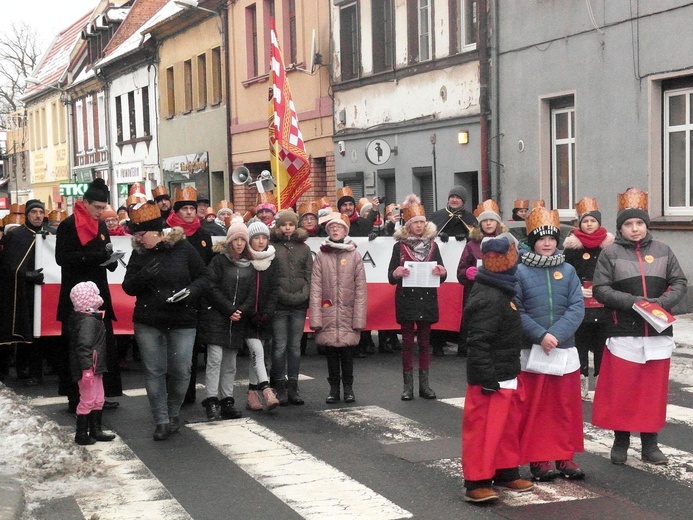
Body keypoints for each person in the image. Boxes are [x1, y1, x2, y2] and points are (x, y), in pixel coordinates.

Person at [592, 188, 687, 465]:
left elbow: (679, 282)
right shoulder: (610, 253)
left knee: (651, 392)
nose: (635, 229)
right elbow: (601, 289)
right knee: (622, 390)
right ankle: (620, 440)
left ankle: (650, 444)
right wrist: (633, 302)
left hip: (657, 332)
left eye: (639, 223)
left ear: (646, 225)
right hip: (624, 332)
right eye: (628, 224)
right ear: (621, 227)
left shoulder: (663, 251)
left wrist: (660, 302)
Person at [122, 202, 208, 441]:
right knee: (154, 371)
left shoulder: (183, 248)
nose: (138, 239)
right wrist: (144, 275)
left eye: (142, 234)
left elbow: (204, 276)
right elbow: (128, 287)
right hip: (149, 320)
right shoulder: (139, 253)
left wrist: (190, 292)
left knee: (182, 371)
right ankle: (161, 420)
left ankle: (173, 412)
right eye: (136, 235)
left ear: (157, 232)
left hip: (182, 318)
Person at [515, 206, 585, 481]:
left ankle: (564, 457)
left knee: (564, 407)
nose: (547, 243)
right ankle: (538, 458)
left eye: (552, 239)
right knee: (536, 407)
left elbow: (577, 307)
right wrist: (540, 335)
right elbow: (517, 309)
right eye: (542, 239)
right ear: (533, 241)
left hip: (564, 347)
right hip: (534, 349)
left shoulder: (568, 271)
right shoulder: (519, 272)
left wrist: (556, 334)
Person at [462, 234, 534, 503]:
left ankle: (505, 472)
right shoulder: (491, 296)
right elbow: (477, 342)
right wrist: (486, 378)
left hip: (506, 372)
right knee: (483, 432)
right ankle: (476, 482)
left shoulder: (502, 290)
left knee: (505, 429)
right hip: (490, 378)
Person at [55, 178, 122, 413]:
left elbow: (105, 253)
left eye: (104, 208)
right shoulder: (68, 225)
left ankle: (101, 393)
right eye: (97, 208)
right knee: (78, 347)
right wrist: (93, 257)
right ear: (85, 203)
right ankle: (75, 397)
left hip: (99, 292)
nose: (100, 213)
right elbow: (62, 259)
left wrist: (111, 261)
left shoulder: (102, 226)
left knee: (101, 346)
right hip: (76, 296)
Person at [388, 194, 447, 401]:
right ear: (408, 226)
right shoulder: (399, 247)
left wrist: (441, 271)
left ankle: (425, 385)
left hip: (427, 298)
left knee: (424, 342)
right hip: (406, 298)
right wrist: (397, 273)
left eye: (422, 222)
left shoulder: (433, 246)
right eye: (416, 223)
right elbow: (390, 276)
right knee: (406, 343)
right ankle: (407, 387)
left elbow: (443, 273)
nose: (419, 226)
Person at [197, 220, 255, 421]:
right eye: (236, 239)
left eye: (242, 240)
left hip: (237, 320)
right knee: (215, 360)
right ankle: (212, 400)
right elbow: (211, 288)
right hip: (217, 317)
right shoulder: (219, 262)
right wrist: (229, 309)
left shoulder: (249, 265)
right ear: (229, 241)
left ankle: (226, 399)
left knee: (230, 363)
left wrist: (241, 311)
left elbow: (252, 293)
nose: (239, 243)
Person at [310, 212, 367, 404]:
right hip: (328, 312)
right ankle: (334, 388)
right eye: (332, 227)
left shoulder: (354, 255)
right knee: (331, 353)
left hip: (348, 313)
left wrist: (359, 318)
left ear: (345, 230)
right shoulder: (321, 255)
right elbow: (316, 288)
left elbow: (361, 289)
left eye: (339, 227)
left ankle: (348, 388)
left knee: (347, 352)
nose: (335, 229)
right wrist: (316, 318)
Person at [562, 197, 613, 399]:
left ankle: (601, 378)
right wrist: (575, 289)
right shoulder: (572, 248)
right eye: (585, 221)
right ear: (580, 224)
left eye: (593, 221)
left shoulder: (609, 247)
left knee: (602, 343)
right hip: (580, 303)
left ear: (599, 223)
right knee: (580, 342)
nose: (589, 224)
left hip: (603, 303)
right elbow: (565, 272)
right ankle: (582, 377)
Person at [166, 186, 214, 404]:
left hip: (196, 296)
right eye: (184, 208)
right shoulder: (167, 232)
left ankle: (188, 393)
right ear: (176, 211)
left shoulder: (204, 234)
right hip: (173, 296)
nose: (189, 212)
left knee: (192, 348)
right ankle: (172, 392)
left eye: (192, 208)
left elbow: (208, 265)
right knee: (172, 349)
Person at [0, 199, 50, 386]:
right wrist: (26, 275)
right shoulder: (17, 235)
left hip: (42, 290)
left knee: (35, 332)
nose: (38, 215)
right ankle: (5, 369)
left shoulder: (49, 235)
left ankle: (29, 369)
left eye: (40, 212)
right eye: (34, 212)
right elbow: (7, 265)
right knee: (16, 328)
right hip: (18, 289)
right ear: (27, 215)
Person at [270, 209, 313, 405]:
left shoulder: (304, 248)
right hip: (279, 303)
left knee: (295, 347)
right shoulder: (272, 246)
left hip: (299, 303)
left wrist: (305, 293)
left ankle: (293, 386)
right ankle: (279, 386)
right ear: (278, 226)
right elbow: (271, 276)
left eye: (291, 224)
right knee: (279, 346)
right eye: (284, 224)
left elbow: (309, 274)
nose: (287, 228)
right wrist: (281, 294)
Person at [456, 200, 508, 357]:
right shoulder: (472, 245)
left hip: (500, 290)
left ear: (498, 223)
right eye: (485, 220)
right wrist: (467, 273)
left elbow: (514, 266)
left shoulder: (507, 242)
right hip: (476, 291)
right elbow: (460, 271)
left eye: (492, 220)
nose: (489, 223)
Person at [69, 282, 116, 446]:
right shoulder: (88, 321)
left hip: (94, 366)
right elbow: (84, 346)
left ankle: (95, 430)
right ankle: (81, 433)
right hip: (89, 368)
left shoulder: (88, 317)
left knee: (98, 398)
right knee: (88, 399)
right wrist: (87, 369)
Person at [245, 221, 280, 411]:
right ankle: (266, 390)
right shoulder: (245, 260)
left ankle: (251, 392)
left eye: (264, 238)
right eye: (256, 238)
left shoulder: (273, 260)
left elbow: (275, 289)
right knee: (257, 351)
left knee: (256, 355)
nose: (260, 241)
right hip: (248, 316)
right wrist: (250, 312)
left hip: (265, 316)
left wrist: (268, 312)